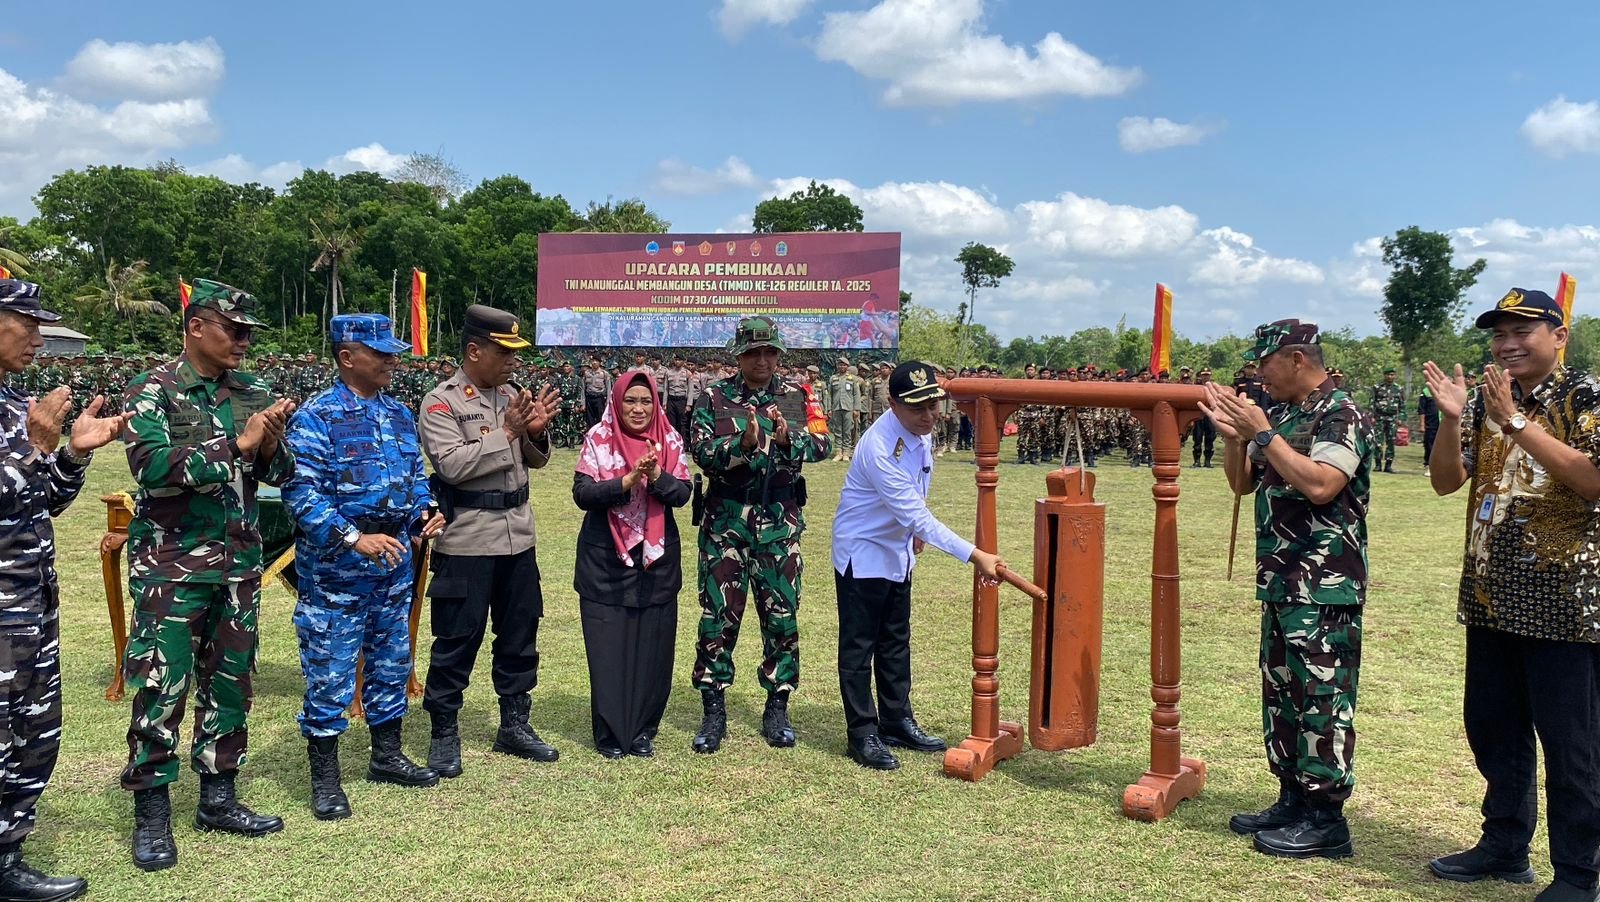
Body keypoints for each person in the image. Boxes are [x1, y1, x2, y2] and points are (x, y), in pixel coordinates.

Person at [1423, 287, 1600, 901]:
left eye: (1522, 331)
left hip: (1565, 605)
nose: (1508, 344)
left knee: (1573, 747)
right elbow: (1446, 481)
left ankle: (1578, 874)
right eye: (1500, 334)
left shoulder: (1586, 396)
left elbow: (1593, 481)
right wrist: (1453, 418)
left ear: (1559, 336)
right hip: (1492, 596)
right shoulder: (1489, 400)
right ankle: (1504, 845)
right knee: (1494, 730)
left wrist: (1517, 423)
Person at [119, 279, 297, 871]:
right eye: (234, 331)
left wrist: (268, 446)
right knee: (162, 685)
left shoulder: (253, 391)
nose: (244, 342)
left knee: (230, 683)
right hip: (171, 566)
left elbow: (281, 472)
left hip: (238, 565)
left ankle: (218, 797)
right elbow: (152, 467)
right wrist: (238, 445)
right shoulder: (153, 389)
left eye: (249, 333)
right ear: (196, 326)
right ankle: (152, 813)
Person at [1200, 318, 1373, 860]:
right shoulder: (1281, 414)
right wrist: (1236, 440)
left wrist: (1262, 433)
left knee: (1322, 698)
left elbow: (1322, 484)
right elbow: (1242, 483)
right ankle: (1292, 798)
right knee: (1283, 696)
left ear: (1298, 359)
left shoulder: (1341, 413)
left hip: (1325, 587)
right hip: (1282, 581)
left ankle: (1326, 819)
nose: (1259, 374)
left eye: (1265, 362)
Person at [282, 315, 446, 821]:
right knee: (330, 669)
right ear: (347, 357)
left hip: (393, 563)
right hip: (337, 569)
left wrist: (423, 512)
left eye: (393, 352)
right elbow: (301, 493)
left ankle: (386, 755)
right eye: (380, 353)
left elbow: (415, 477)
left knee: (392, 660)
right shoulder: (317, 417)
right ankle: (326, 778)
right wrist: (354, 538)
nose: (392, 360)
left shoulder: (398, 414)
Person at [0, 280, 126, 902]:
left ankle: (5, 858)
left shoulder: (14, 405)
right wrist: (37, 449)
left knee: (32, 735)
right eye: (26, 324)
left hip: (30, 602)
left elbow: (41, 501)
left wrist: (71, 456)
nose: (38, 339)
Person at [832, 362, 1004, 770]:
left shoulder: (921, 432)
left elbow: (920, 485)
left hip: (897, 550)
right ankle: (862, 733)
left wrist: (913, 531)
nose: (929, 416)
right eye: (917, 408)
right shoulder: (878, 447)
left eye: (933, 406)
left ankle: (896, 721)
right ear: (892, 404)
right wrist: (975, 555)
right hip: (864, 553)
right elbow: (915, 513)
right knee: (859, 648)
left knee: (895, 641)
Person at [418, 305, 563, 776]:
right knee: (457, 638)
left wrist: (534, 433)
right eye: (504, 352)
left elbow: (534, 460)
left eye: (515, 353)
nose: (513, 361)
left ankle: (514, 725)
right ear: (474, 350)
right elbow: (451, 466)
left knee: (520, 633)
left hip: (518, 534)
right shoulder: (441, 402)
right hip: (468, 539)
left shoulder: (513, 395)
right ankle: (444, 732)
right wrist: (508, 432)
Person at [688, 316, 831, 754]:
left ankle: (777, 705)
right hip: (726, 524)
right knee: (718, 617)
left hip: (779, 525)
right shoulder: (714, 397)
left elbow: (824, 444)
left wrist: (788, 441)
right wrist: (743, 446)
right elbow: (701, 452)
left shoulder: (798, 396)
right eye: (754, 353)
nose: (763, 360)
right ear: (739, 356)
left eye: (770, 352)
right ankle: (714, 708)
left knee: (782, 617)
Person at [572, 371, 691, 759]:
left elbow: (682, 494)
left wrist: (655, 475)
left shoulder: (670, 440)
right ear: (617, 402)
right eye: (630, 401)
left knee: (653, 648)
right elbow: (583, 494)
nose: (638, 409)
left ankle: (642, 729)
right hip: (605, 560)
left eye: (645, 401)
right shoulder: (599, 438)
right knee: (608, 648)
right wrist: (626, 481)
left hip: (656, 562)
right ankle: (610, 732)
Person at [827, 356, 861, 462]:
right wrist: (829, 409)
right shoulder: (833, 378)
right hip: (836, 408)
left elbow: (856, 394)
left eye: (844, 365)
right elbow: (829, 395)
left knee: (847, 431)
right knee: (837, 431)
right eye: (840, 365)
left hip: (848, 408)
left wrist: (856, 409)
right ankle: (838, 453)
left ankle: (846, 453)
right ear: (838, 366)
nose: (842, 366)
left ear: (847, 366)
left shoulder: (852, 379)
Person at [1372, 368, 1404, 473]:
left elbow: (1402, 405)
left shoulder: (1398, 388)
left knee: (1391, 442)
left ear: (1395, 376)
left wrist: (1401, 418)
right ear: (1384, 375)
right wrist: (1372, 416)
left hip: (1392, 419)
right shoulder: (1377, 387)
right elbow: (1372, 402)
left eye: (1392, 375)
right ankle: (1378, 464)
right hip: (1379, 418)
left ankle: (1388, 465)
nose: (1390, 377)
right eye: (1388, 375)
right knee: (1378, 442)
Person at [1417, 384, 1440, 476]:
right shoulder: (1426, 391)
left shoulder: (1446, 390)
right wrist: (1422, 425)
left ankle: (1440, 467)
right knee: (1429, 445)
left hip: (1443, 424)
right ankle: (1429, 466)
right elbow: (1421, 410)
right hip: (1430, 423)